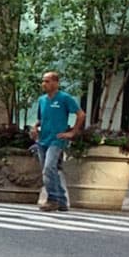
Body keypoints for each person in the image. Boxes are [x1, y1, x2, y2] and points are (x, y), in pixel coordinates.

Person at [32, 68, 84, 214]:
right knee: (48, 170)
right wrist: (35, 127)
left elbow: (80, 114)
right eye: (43, 81)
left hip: (57, 139)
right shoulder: (42, 100)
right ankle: (61, 200)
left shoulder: (64, 98)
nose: (44, 84)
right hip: (43, 139)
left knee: (49, 168)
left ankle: (53, 198)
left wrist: (72, 132)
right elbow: (40, 118)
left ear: (56, 83)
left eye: (47, 81)